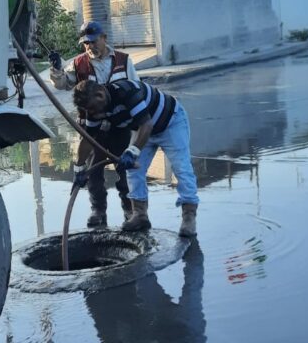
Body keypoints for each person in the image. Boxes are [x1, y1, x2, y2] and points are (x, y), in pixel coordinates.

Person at [72, 79, 199, 237]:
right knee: (132, 171)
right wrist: (78, 167)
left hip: (170, 123)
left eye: (91, 108)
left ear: (100, 95)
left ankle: (189, 216)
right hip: (143, 130)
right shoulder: (93, 109)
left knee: (181, 168)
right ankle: (140, 215)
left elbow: (147, 124)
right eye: (87, 110)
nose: (92, 113)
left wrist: (133, 150)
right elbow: (87, 140)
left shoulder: (127, 91)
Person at [49, 21, 139, 227]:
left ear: (104, 38)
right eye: (86, 43)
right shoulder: (78, 63)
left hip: (119, 127)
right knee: (93, 172)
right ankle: (98, 210)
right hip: (91, 129)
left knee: (124, 168)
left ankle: (130, 210)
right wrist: (56, 69)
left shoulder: (124, 61)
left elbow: (137, 88)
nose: (90, 46)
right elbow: (63, 84)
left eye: (93, 41)